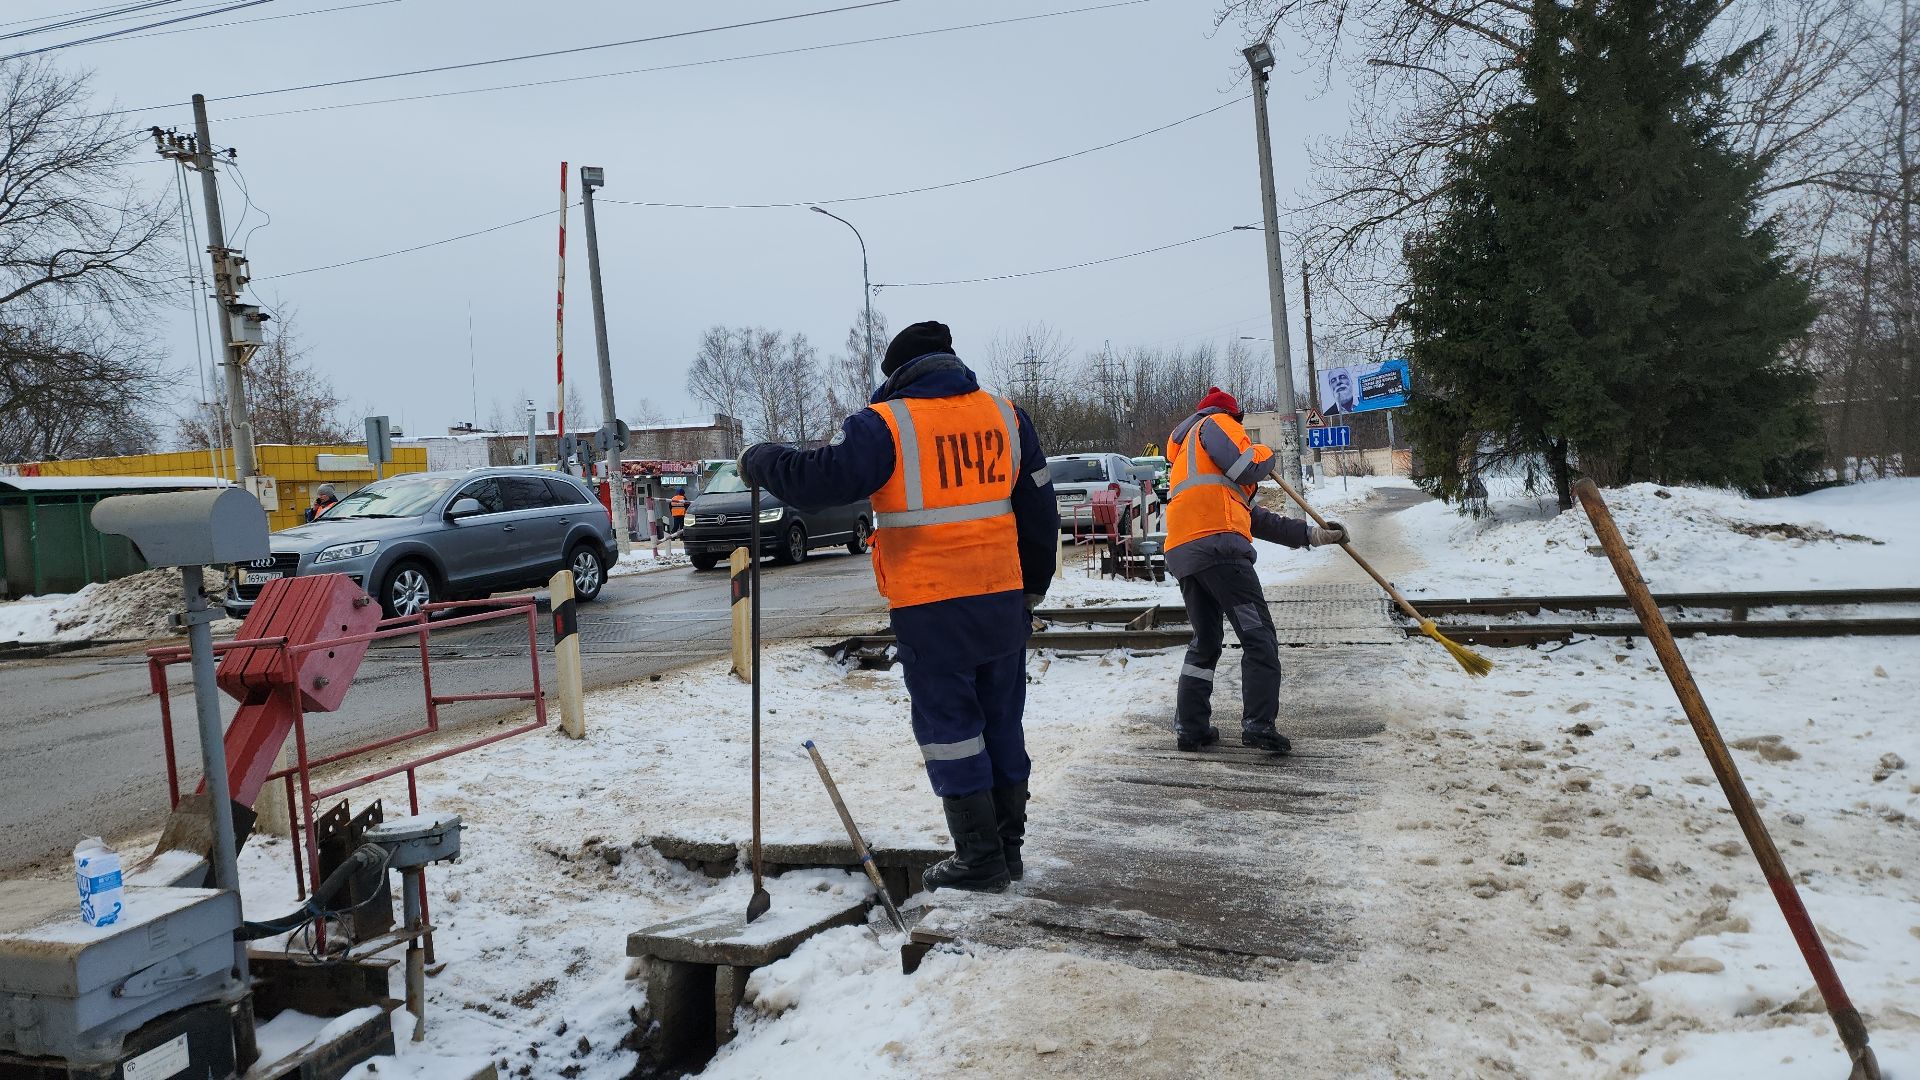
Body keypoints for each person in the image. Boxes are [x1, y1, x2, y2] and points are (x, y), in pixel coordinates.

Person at [741, 321, 1058, 893]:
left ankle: (980, 857)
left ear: (897, 375)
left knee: (952, 729)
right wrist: (1032, 585)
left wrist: (763, 460)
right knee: (1003, 721)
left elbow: (821, 481)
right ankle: (1006, 851)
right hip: (1001, 597)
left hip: (933, 606)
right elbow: (1038, 505)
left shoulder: (887, 426)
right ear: (950, 362)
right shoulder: (1006, 417)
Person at [1164, 387, 1349, 754]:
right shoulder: (1217, 422)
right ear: (1235, 417)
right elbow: (1249, 463)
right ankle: (1258, 725)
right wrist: (1266, 453)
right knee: (1258, 636)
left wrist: (1314, 535)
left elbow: (1256, 518)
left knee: (1205, 642)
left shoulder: (1190, 457)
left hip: (1187, 555)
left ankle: (1191, 726)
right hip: (1220, 551)